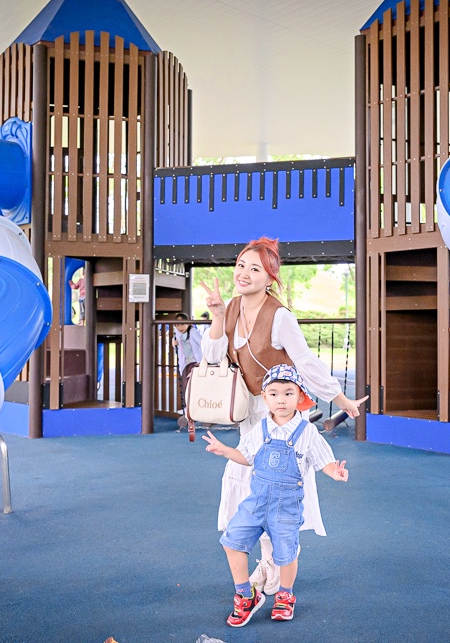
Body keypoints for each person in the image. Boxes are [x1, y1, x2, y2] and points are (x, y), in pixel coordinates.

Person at [199, 236, 366, 596]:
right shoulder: (230, 308)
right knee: (249, 486)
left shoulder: (280, 316)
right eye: (241, 265)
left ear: (269, 277)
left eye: (254, 268)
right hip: (249, 414)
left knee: (278, 489)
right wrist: (215, 314)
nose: (244, 273)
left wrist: (340, 398)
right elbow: (213, 355)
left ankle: (277, 562)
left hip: (281, 415)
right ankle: (268, 560)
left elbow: (305, 362)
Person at [203, 364, 349, 627]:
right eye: (273, 393)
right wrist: (225, 450)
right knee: (232, 541)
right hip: (256, 501)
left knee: (286, 554)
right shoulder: (259, 429)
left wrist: (334, 472)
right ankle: (245, 594)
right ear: (265, 397)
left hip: (286, 506)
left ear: (300, 396)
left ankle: (285, 595)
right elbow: (245, 457)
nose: (280, 399)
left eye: (288, 393)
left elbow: (322, 460)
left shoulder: (307, 432)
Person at [172, 312, 204, 431]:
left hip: (195, 363)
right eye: (178, 325)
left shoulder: (193, 332)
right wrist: (173, 344)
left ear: (188, 323)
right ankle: (190, 411)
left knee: (194, 386)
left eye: (183, 324)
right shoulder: (177, 335)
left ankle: (197, 411)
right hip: (185, 364)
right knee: (186, 387)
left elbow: (202, 344)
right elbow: (177, 346)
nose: (180, 327)